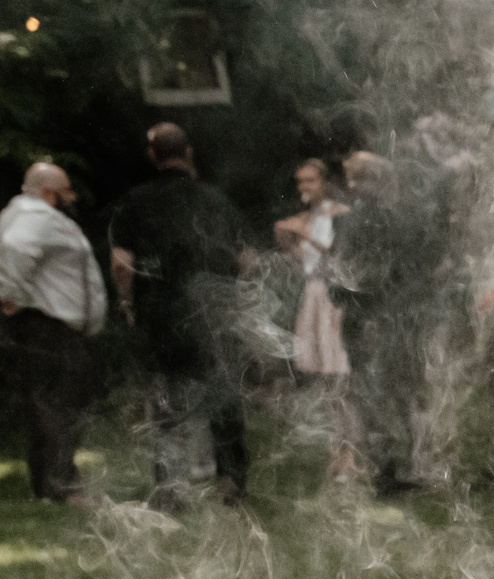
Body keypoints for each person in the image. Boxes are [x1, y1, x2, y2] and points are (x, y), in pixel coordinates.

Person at [108, 122, 257, 504]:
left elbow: (122, 264)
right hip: (213, 311)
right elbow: (247, 259)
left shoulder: (135, 201)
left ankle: (169, 485)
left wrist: (128, 304)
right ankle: (230, 481)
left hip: (161, 313)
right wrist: (233, 299)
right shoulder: (214, 199)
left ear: (152, 155)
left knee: (165, 398)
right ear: (188, 152)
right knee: (222, 394)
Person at [0, 162, 107, 504]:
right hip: (49, 328)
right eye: (66, 190)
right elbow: (16, 247)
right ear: (48, 194)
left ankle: (47, 485)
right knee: (61, 405)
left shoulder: (24, 214)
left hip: (43, 327)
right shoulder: (37, 217)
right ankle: (64, 486)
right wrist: (11, 295)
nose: (72, 196)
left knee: (45, 405)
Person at [333, 150, 437, 496]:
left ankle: (389, 469)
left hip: (372, 319)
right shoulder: (374, 221)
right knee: (385, 395)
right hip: (379, 319)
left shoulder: (360, 221)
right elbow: (357, 276)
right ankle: (388, 471)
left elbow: (346, 277)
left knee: (378, 395)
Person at [274, 157, 358, 480]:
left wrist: (305, 236)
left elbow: (338, 258)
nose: (304, 187)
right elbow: (305, 264)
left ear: (325, 182)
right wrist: (289, 244)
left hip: (332, 296)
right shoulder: (307, 217)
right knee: (324, 378)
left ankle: (351, 455)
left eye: (310, 180)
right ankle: (337, 452)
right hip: (312, 293)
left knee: (340, 378)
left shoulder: (340, 214)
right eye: (300, 182)